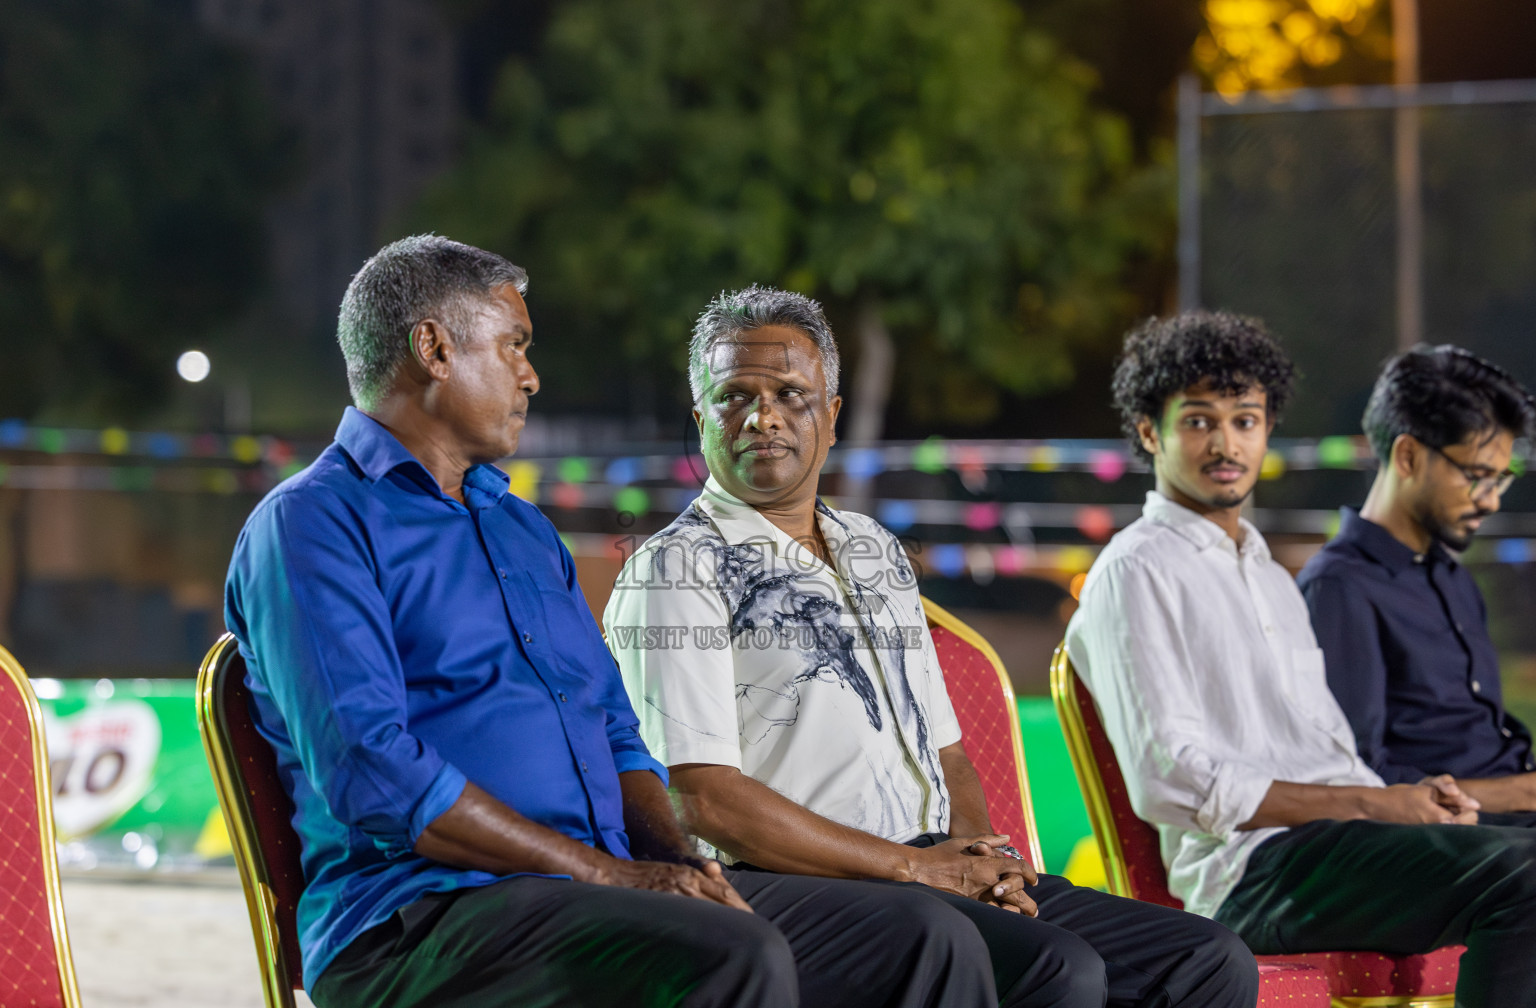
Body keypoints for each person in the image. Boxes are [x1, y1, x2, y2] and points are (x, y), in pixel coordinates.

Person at [224, 237, 1005, 1008]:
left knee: (922, 938)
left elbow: (619, 735)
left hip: (596, 892)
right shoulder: (311, 523)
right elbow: (374, 770)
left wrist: (678, 867)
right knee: (731, 954)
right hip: (425, 916)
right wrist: (609, 873)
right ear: (434, 348)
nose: (530, 375)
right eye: (514, 346)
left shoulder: (522, 530)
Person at [604, 285, 1260, 1008]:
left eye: (791, 393)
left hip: (926, 865)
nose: (763, 417)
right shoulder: (676, 566)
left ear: (831, 416)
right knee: (1055, 968)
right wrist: (916, 872)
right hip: (789, 881)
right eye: (733, 396)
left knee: (1204, 958)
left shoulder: (873, 548)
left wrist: (983, 863)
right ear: (700, 418)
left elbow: (947, 753)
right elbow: (703, 801)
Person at [1065, 310, 1536, 1008]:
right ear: (1148, 432)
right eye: (1198, 421)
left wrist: (1413, 803)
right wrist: (1375, 803)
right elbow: (1170, 779)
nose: (1226, 442)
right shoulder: (1137, 569)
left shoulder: (1267, 573)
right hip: (1254, 871)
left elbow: (1330, 750)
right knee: (1526, 879)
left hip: (1338, 843)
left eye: (1245, 420)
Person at [1296, 345, 1536, 815]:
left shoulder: (1453, 579)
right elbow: (1355, 778)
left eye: (1500, 480)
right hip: (1455, 842)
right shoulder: (1340, 587)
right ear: (1407, 456)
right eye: (1477, 477)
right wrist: (1522, 793)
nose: (1490, 501)